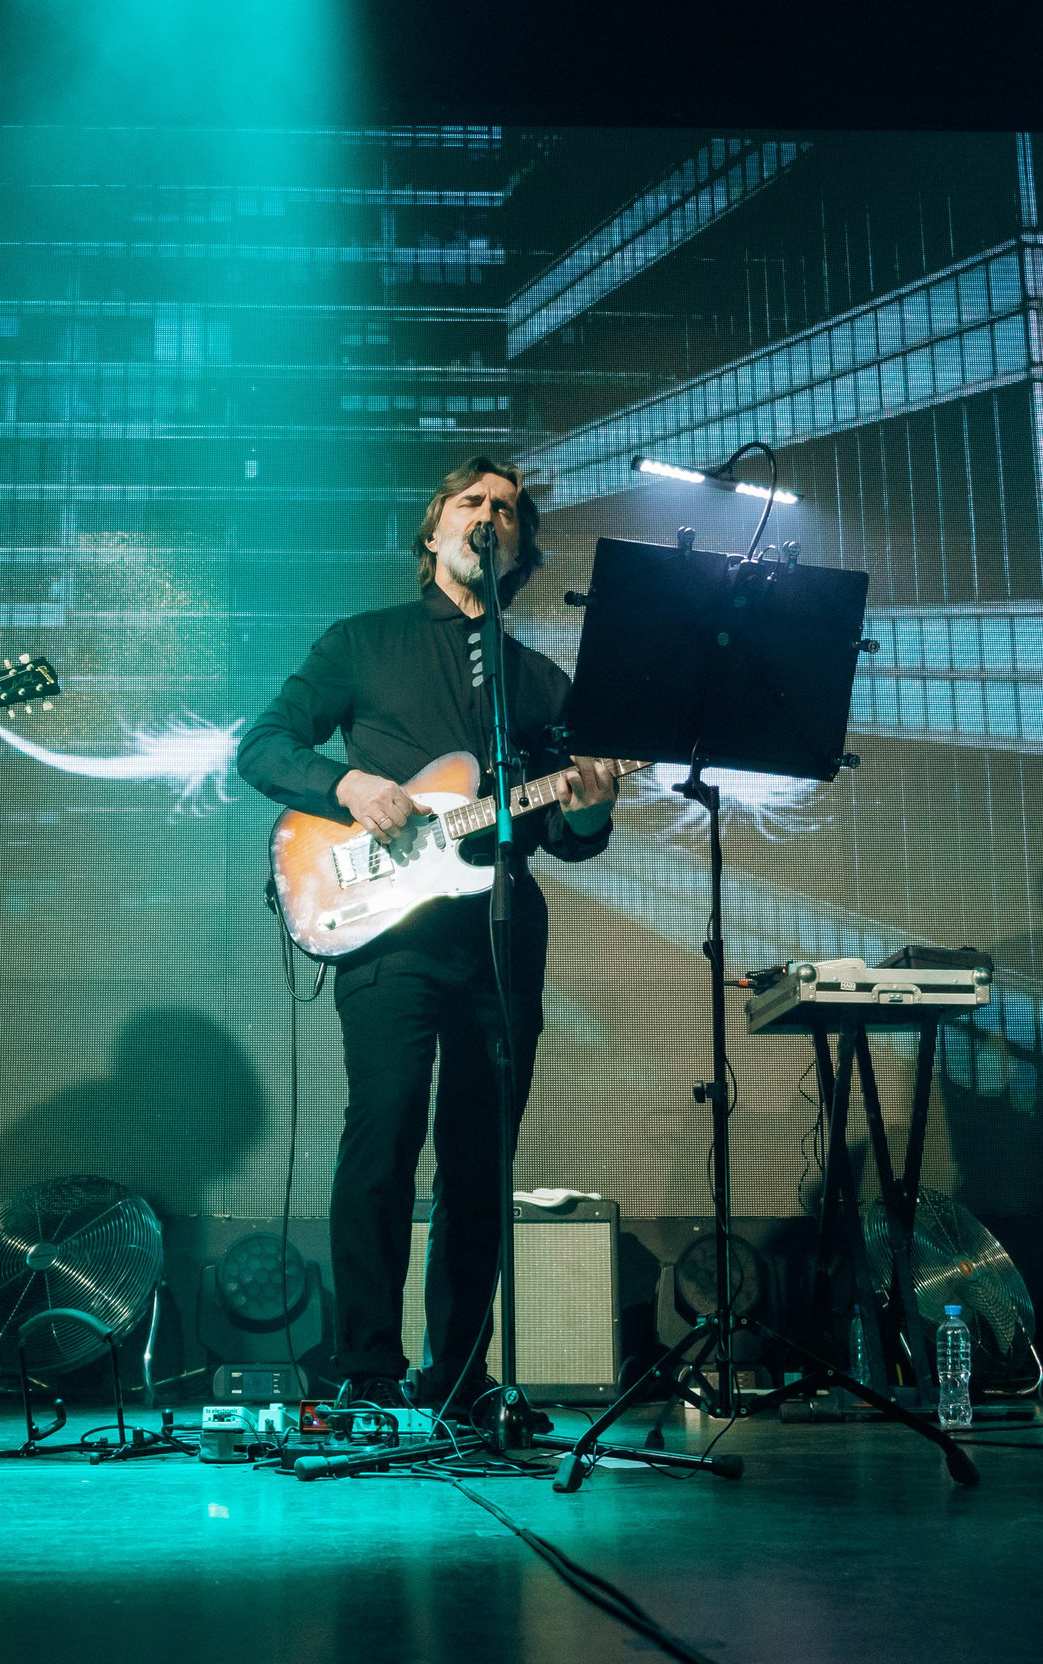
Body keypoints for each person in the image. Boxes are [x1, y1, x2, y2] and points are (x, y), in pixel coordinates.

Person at [237, 456, 618, 1418]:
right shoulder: (364, 644)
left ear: (521, 547)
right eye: (473, 502)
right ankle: (365, 1370)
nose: (490, 517)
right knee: (387, 1131)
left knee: (481, 1156)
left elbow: (572, 836)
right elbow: (264, 745)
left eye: (508, 512)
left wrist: (583, 809)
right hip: (386, 932)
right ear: (434, 529)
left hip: (500, 931)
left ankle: (457, 1375)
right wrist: (345, 785)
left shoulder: (540, 683)